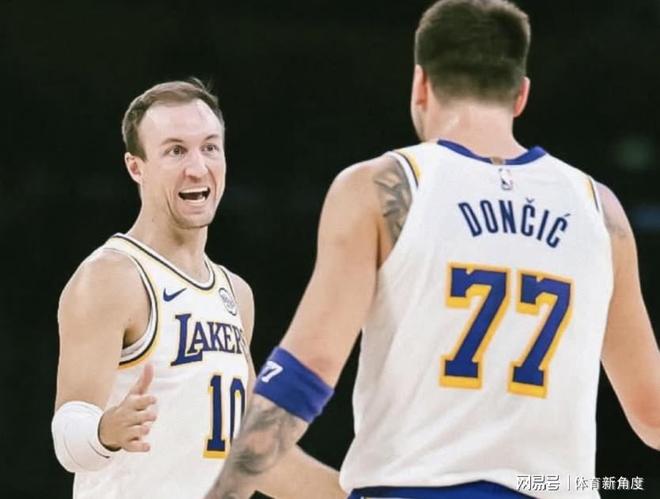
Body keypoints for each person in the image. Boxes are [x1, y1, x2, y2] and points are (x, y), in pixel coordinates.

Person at [205, 1, 660, 498]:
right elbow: (652, 413)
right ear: (521, 95)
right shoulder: (599, 209)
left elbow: (307, 366)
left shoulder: (382, 186)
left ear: (421, 84)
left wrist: (226, 490)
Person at [51, 79, 343, 499]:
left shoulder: (235, 294)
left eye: (209, 147)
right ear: (136, 167)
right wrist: (105, 430)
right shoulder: (112, 276)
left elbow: (253, 456)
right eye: (175, 151)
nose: (197, 167)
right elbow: (68, 439)